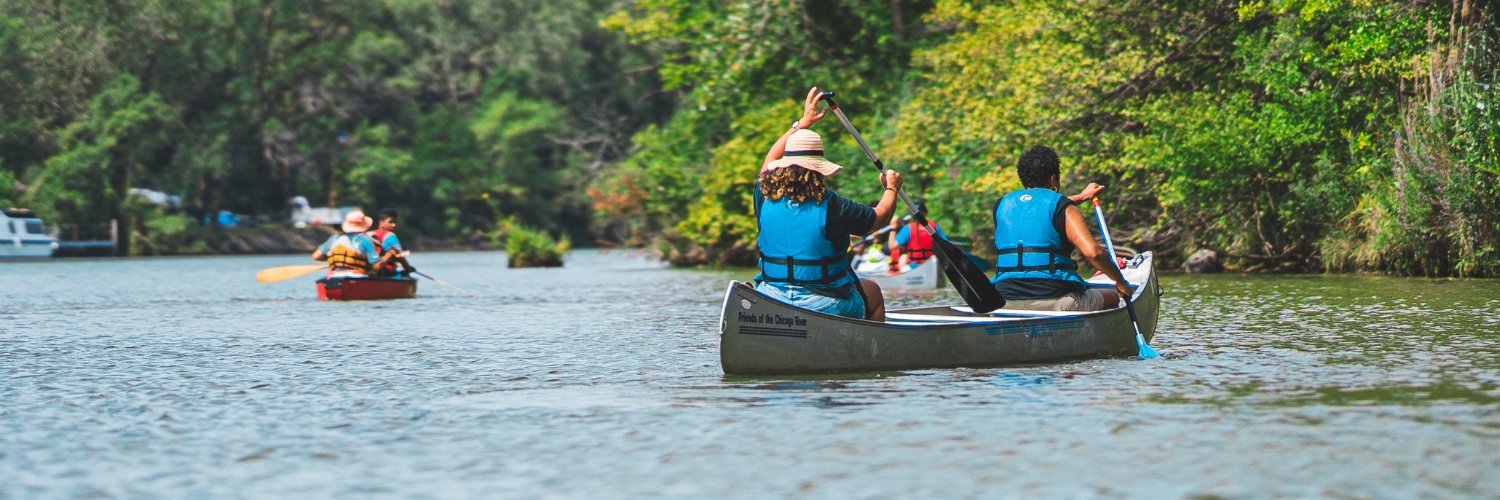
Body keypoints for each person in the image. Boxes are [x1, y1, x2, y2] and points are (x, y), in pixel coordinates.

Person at [754, 86, 904, 321]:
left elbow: (769, 160)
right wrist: (891, 188)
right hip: (824, 303)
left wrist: (800, 124)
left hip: (770, 299)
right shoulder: (832, 206)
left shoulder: (763, 195)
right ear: (818, 170)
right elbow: (880, 217)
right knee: (872, 291)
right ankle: (867, 354)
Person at [989, 146, 1131, 311]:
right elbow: (1094, 253)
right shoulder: (1063, 208)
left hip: (1005, 300)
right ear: (1053, 179)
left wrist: (1081, 197)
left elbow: (1040, 210)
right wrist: (1120, 282)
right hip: (1055, 299)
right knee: (1112, 296)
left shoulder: (1001, 205)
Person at [311, 210, 384, 278]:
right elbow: (377, 266)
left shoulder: (334, 238)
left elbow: (316, 256)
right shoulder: (366, 239)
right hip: (357, 275)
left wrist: (336, 259)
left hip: (334, 275)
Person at [887, 202, 946, 273]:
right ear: (926, 213)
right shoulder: (934, 227)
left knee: (903, 258)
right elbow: (945, 244)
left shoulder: (908, 228)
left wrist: (893, 228)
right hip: (932, 265)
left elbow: (892, 247)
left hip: (914, 267)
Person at [368, 208, 415, 278]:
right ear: (381, 222)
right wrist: (408, 268)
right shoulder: (391, 236)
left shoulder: (369, 234)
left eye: (395, 222)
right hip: (385, 273)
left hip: (369, 271)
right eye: (391, 222)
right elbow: (400, 257)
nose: (394, 225)